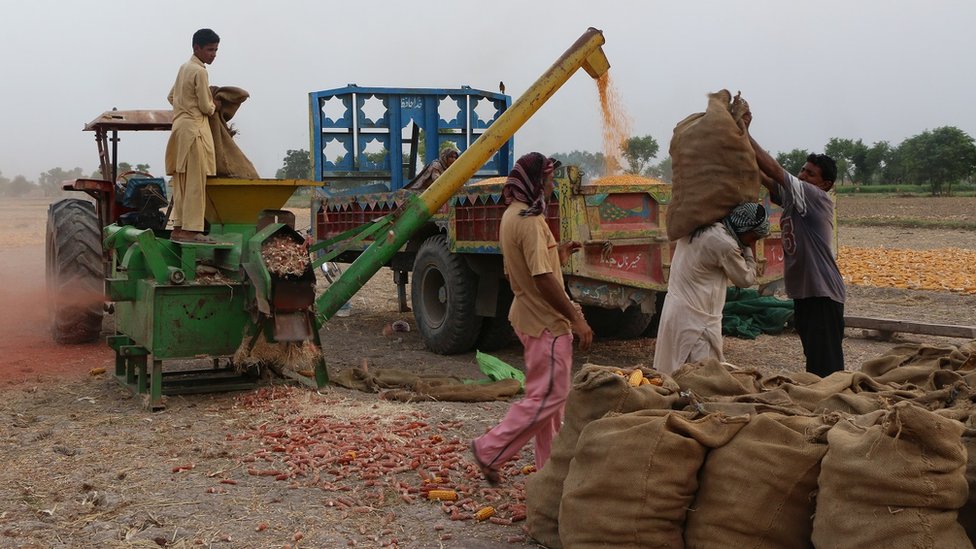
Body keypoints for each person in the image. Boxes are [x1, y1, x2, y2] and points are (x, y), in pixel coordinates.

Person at [471, 152, 593, 484]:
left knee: (551, 408)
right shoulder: (529, 221)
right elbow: (541, 278)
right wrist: (576, 319)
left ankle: (548, 476)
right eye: (549, 180)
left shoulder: (513, 214)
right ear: (536, 183)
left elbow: (529, 266)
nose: (552, 186)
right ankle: (489, 450)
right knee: (547, 399)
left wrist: (560, 253)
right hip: (546, 325)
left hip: (529, 317)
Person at [744, 111, 846, 377]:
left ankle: (835, 410)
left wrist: (746, 132)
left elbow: (776, 171)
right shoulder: (794, 200)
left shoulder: (816, 198)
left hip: (823, 293)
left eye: (810, 174)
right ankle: (819, 409)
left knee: (827, 368)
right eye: (802, 170)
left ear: (825, 184)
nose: (802, 176)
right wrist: (738, 142)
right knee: (814, 362)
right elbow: (765, 176)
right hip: (805, 293)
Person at [653, 203, 770, 374]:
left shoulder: (700, 228)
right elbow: (746, 279)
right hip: (698, 322)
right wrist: (748, 250)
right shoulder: (725, 244)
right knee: (700, 378)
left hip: (677, 311)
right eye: (753, 238)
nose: (753, 242)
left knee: (674, 371)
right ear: (744, 229)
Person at [165, 28, 221, 243]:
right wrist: (214, 105)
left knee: (182, 182)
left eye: (216, 50)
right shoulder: (199, 71)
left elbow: (171, 97)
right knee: (196, 183)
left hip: (179, 129)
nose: (213, 54)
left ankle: (179, 228)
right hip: (194, 131)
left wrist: (184, 106)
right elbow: (206, 107)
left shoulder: (183, 68)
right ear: (196, 48)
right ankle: (192, 231)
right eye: (210, 50)